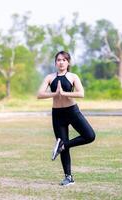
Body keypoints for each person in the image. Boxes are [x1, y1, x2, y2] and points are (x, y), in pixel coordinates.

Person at [37, 51, 96, 186]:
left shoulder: (73, 76)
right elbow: (39, 94)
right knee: (64, 146)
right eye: (58, 60)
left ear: (68, 62)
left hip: (72, 112)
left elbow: (81, 93)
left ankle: (62, 146)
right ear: (55, 63)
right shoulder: (50, 77)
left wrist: (64, 93)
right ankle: (68, 177)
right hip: (57, 115)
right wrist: (55, 93)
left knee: (90, 135)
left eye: (64, 60)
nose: (61, 62)